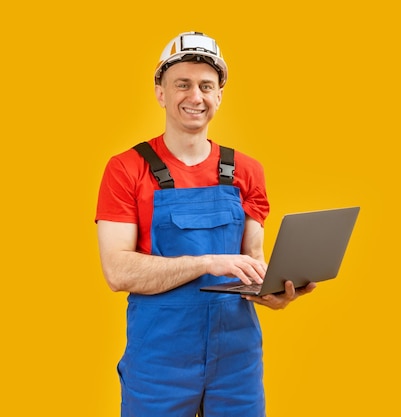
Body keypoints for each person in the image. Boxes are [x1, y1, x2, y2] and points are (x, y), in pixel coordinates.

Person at [95, 31, 316, 417]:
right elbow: (117, 271)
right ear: (161, 92)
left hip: (236, 358)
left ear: (219, 95)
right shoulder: (126, 169)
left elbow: (252, 260)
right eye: (182, 84)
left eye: (205, 86)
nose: (195, 97)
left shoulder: (247, 171)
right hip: (158, 359)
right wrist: (207, 262)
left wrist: (275, 293)